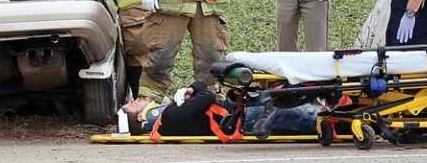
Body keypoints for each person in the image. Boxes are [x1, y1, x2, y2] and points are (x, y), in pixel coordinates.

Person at [121, 81, 318, 138]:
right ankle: (340, 123)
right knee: (308, 116)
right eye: (131, 105)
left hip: (244, 114)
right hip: (248, 117)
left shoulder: (168, 121)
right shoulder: (170, 117)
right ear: (140, 117)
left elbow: (201, 93)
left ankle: (336, 120)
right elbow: (206, 95)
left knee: (302, 110)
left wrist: (192, 90)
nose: (135, 100)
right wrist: (193, 89)